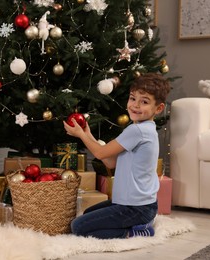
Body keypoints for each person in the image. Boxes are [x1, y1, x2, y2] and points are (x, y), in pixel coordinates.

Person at [64, 73, 170, 239]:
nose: (135, 105)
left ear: (158, 108)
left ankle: (134, 232)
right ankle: (139, 223)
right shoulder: (145, 129)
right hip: (137, 205)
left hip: (135, 208)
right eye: (133, 98)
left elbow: (99, 153)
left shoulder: (137, 131)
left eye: (144, 102)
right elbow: (110, 161)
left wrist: (80, 135)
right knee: (88, 213)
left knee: (78, 227)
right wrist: (88, 134)